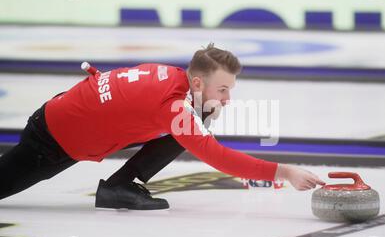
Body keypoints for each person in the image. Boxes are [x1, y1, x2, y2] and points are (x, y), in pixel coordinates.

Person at [0, 43, 325, 210]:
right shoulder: (173, 107)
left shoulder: (171, 76)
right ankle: (117, 187)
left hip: (61, 119)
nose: (227, 98)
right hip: (51, 143)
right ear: (197, 82)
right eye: (223, 90)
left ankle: (118, 187)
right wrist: (285, 172)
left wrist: (204, 109)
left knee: (201, 116)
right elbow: (219, 158)